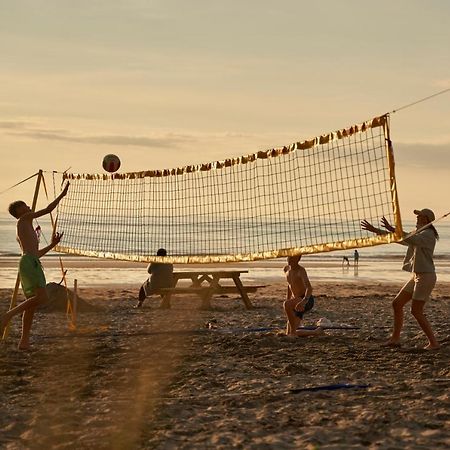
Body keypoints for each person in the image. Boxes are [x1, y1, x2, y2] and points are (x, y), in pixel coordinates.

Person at [1, 182, 69, 350]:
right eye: (24, 205)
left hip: (32, 261)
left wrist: (53, 244)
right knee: (42, 298)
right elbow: (47, 210)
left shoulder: (26, 226)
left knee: (31, 305)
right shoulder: (23, 220)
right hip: (29, 263)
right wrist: (62, 195)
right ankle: (7, 316)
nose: (28, 206)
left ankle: (23, 342)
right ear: (18, 212)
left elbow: (36, 253)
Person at [361, 209, 440, 350]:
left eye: (420, 216)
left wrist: (393, 228)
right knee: (397, 304)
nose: (417, 218)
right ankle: (395, 339)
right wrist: (377, 230)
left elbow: (406, 238)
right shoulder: (419, 233)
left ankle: (433, 343)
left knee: (416, 311)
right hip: (417, 275)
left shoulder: (428, 235)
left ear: (426, 219)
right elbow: (400, 239)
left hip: (426, 276)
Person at [283, 255, 324, 337]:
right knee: (289, 333)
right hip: (295, 301)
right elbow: (289, 285)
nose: (290, 259)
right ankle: (316, 332)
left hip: (306, 299)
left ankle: (294, 332)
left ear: (298, 259)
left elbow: (309, 288)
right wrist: (288, 300)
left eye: (293, 258)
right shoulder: (287, 269)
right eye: (289, 257)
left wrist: (303, 301)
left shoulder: (301, 271)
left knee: (286, 304)